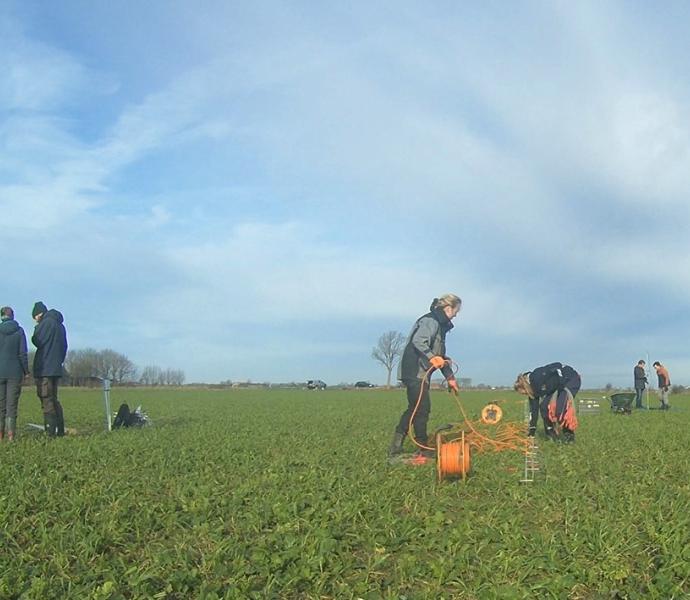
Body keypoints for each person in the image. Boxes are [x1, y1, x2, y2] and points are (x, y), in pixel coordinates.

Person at [389, 294, 461, 457]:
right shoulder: (430, 321)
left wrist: (450, 378)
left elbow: (440, 356)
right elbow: (418, 341)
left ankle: (397, 446)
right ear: (448, 308)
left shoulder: (441, 327)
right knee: (421, 408)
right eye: (456, 311)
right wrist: (431, 357)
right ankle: (422, 448)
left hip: (421, 373)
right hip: (414, 371)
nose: (456, 315)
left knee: (415, 408)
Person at [514, 362, 580, 443]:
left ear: (524, 387)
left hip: (569, 380)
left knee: (560, 408)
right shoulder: (532, 391)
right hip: (556, 387)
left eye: (524, 393)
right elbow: (534, 410)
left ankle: (569, 436)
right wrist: (532, 430)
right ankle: (550, 432)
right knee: (544, 407)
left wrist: (561, 381)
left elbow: (557, 365)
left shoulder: (537, 376)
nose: (526, 395)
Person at [31, 301, 68, 436]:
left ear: (38, 314)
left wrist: (37, 328)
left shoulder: (45, 323)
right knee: (54, 399)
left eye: (35, 317)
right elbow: (64, 347)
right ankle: (60, 430)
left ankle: (50, 432)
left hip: (45, 368)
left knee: (46, 399)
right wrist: (59, 362)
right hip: (56, 368)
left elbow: (37, 340)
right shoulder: (60, 325)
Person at [0, 307, 29, 441]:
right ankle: (11, 436)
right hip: (15, 373)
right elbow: (22, 353)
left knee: (1, 404)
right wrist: (26, 371)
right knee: (12, 405)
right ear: (13, 316)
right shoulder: (19, 331)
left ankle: (0, 435)